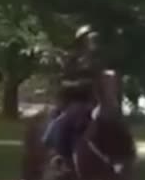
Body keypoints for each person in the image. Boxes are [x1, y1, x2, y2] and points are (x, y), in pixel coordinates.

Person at [41, 25, 107, 166]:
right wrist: (74, 84)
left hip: (89, 101)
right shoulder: (72, 60)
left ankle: (64, 157)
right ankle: (57, 153)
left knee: (68, 118)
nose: (93, 42)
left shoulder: (98, 61)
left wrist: (87, 84)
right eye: (90, 39)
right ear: (82, 41)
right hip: (70, 99)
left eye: (95, 39)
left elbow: (100, 80)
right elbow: (63, 80)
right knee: (54, 118)